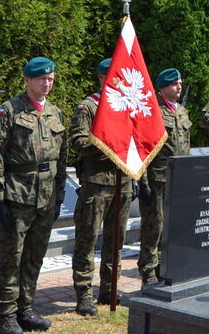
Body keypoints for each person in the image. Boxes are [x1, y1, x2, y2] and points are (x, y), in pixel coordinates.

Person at [0, 57, 68, 333]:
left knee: (35, 255)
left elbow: (62, 155)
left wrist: (59, 194)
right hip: (17, 194)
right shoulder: (9, 111)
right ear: (27, 80)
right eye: (42, 79)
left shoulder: (55, 112)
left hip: (45, 196)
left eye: (51, 79)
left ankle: (26, 308)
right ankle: (6, 314)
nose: (47, 83)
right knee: (12, 256)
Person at [69, 58, 135, 315]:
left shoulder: (127, 106)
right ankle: (84, 294)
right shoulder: (89, 107)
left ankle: (110, 288)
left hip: (123, 181)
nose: (119, 81)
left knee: (115, 240)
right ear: (101, 77)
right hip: (96, 184)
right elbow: (79, 142)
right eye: (113, 76)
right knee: (86, 241)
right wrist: (111, 144)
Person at [137, 68, 192, 285]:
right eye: (174, 84)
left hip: (179, 179)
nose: (178, 87)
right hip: (157, 178)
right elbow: (143, 148)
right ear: (162, 88)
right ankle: (148, 270)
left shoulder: (182, 112)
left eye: (179, 83)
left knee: (171, 226)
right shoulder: (152, 112)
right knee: (154, 226)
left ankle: (165, 265)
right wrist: (142, 182)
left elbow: (186, 146)